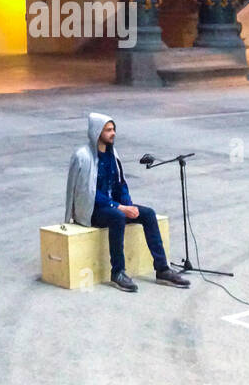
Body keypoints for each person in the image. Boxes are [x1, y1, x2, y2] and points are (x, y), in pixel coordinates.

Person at [65, 113, 189, 292]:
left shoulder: (112, 153)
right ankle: (118, 272)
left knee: (147, 213)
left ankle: (162, 269)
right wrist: (120, 208)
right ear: (96, 132)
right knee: (117, 217)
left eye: (113, 129)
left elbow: (120, 183)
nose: (113, 133)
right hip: (93, 210)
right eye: (108, 130)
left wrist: (128, 205)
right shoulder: (83, 156)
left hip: (114, 206)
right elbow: (87, 193)